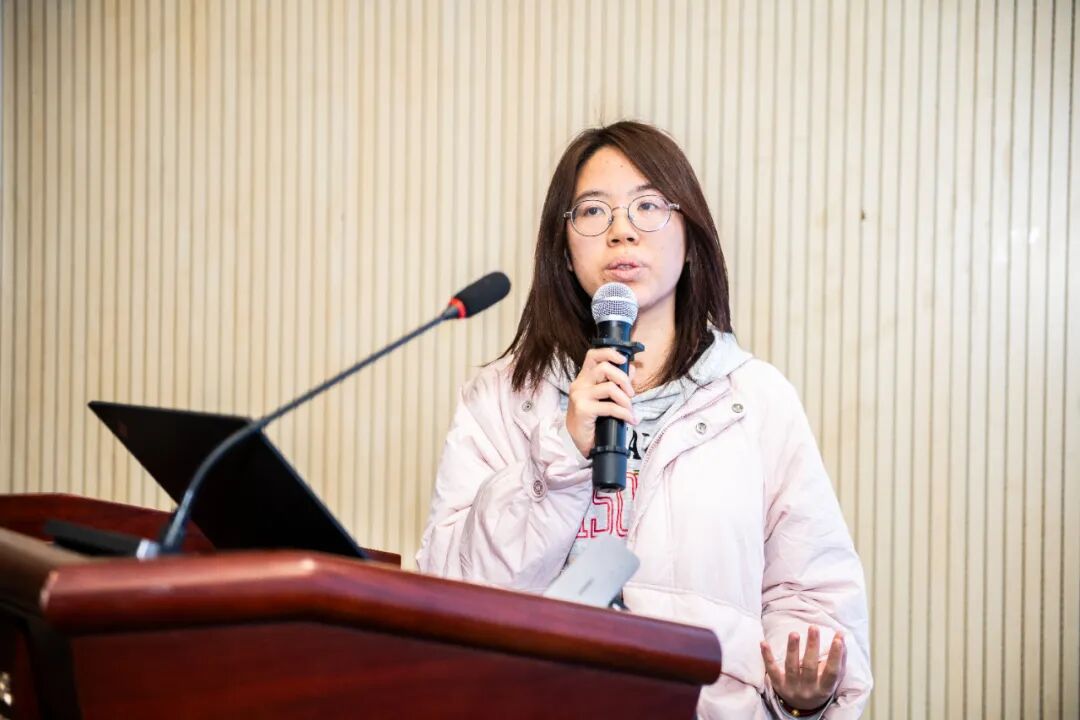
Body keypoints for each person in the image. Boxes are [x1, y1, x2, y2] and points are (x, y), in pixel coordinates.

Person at [416, 121, 873, 718]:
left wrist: (803, 693)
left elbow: (810, 593)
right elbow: (449, 590)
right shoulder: (500, 399)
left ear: (691, 236)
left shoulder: (758, 401)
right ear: (563, 248)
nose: (621, 230)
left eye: (649, 206)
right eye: (592, 211)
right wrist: (560, 451)